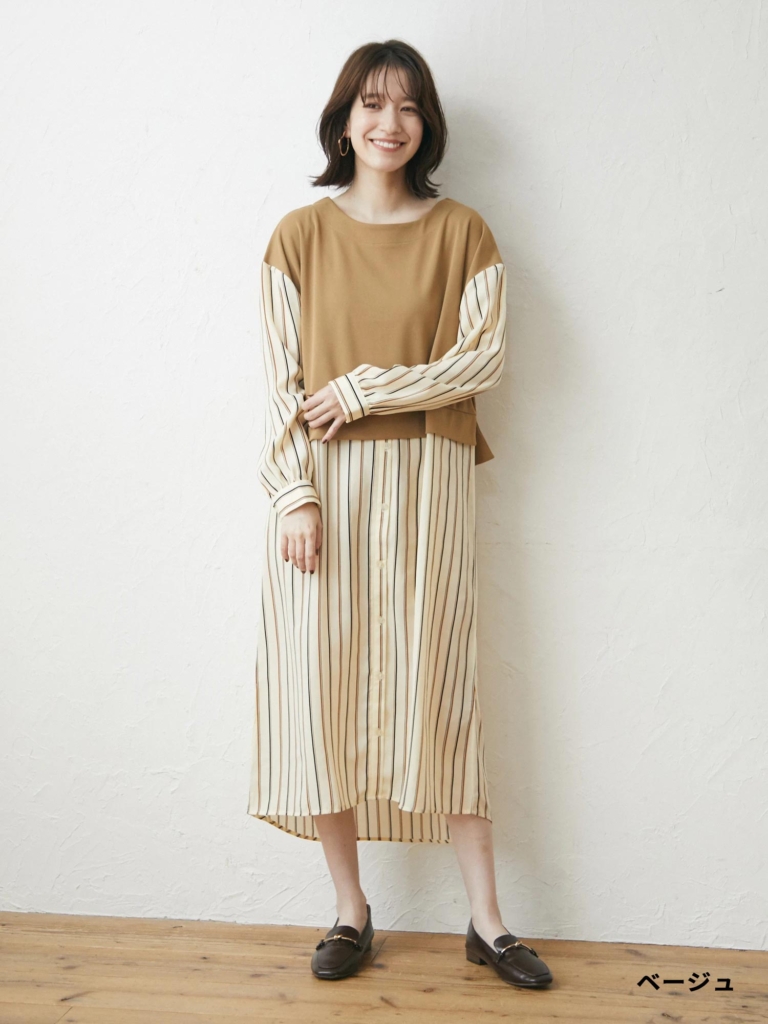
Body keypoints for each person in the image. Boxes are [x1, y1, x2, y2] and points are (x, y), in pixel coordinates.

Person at [248, 39, 553, 989]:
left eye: (410, 106)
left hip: (431, 480)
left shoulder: (464, 231)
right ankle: (351, 911)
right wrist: (293, 493)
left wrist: (366, 388)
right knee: (322, 691)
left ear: (428, 125)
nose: (391, 123)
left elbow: (481, 359)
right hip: (325, 490)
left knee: (443, 687)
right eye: (373, 104)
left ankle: (488, 922)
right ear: (344, 120)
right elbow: (279, 382)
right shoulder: (298, 236)